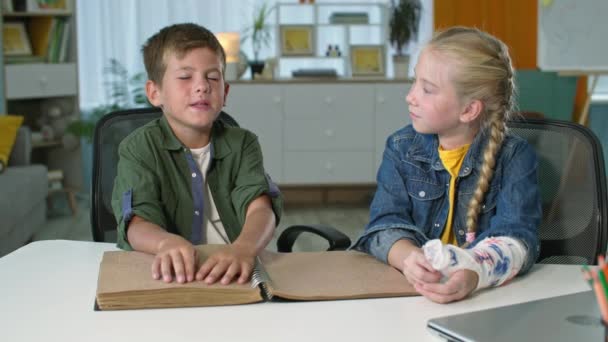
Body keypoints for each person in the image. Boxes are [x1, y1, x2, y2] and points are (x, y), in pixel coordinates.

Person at [352, 26, 541, 303]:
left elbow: (517, 240)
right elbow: (384, 225)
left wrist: (473, 272)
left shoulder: (515, 157)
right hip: (412, 299)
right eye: (414, 81)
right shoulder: (401, 147)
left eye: (427, 89)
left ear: (468, 110)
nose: (410, 96)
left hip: (487, 301)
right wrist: (408, 259)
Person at [111, 23, 282, 286]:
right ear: (155, 93)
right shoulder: (138, 148)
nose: (202, 86)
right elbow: (136, 221)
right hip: (169, 277)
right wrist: (165, 242)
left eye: (213, 77)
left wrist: (244, 248)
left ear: (224, 93)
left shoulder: (244, 143)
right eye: (185, 77)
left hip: (235, 275)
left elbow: (261, 209)